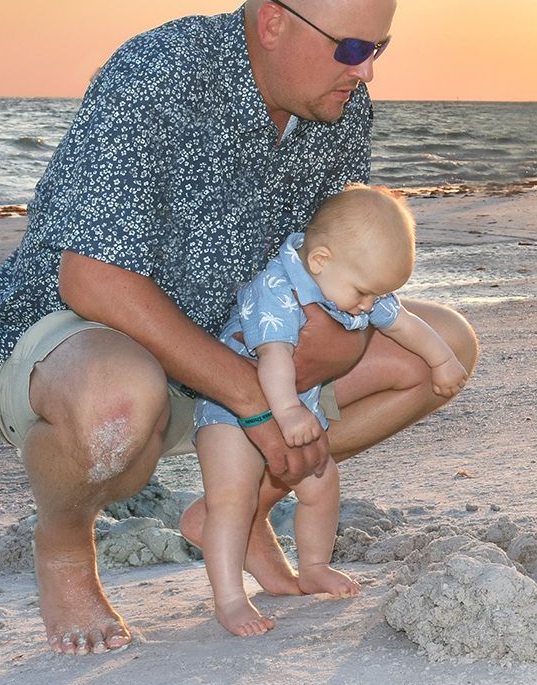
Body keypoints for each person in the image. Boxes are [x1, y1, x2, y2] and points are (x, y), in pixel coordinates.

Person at [0, 0, 479, 653]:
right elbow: (92, 279)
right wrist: (250, 393)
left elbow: (324, 270)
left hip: (239, 344)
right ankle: (62, 547)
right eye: (353, 49)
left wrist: (327, 343)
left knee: (441, 349)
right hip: (86, 342)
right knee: (119, 401)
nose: (366, 73)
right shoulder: (160, 74)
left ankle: (234, 511)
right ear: (273, 23)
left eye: (380, 50)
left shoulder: (336, 109)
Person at [195, 185, 468, 635]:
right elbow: (276, 358)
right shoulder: (276, 289)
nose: (367, 305)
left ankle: (315, 565)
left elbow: (403, 323)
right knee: (231, 499)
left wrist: (442, 360)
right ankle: (229, 599)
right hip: (233, 408)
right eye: (363, 293)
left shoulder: (350, 278)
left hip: (294, 405)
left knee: (322, 483)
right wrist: (287, 414)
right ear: (319, 261)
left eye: (375, 295)